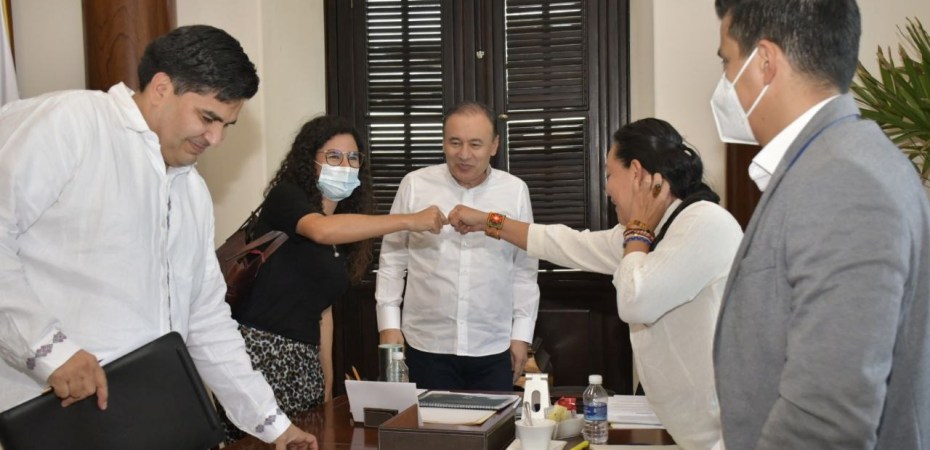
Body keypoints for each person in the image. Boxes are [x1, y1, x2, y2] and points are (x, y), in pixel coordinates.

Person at [0, 25, 316, 449]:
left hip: (149, 419)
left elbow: (205, 318)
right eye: (208, 118)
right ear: (162, 88)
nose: (216, 139)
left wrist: (273, 424)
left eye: (227, 125)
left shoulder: (191, 191)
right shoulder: (70, 124)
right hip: (52, 415)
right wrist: (49, 349)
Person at [711, 1, 930, 448]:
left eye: (727, 62)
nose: (726, 82)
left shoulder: (844, 180)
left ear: (765, 62)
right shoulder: (836, 160)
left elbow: (826, 422)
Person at [448, 118, 743, 450]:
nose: (607, 189)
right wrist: (487, 221)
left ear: (636, 172)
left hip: (725, 432)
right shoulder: (652, 231)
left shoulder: (702, 223)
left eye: (609, 175)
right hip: (690, 431)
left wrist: (638, 230)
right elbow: (563, 243)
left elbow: (635, 302)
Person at [219, 115, 446, 442]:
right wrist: (408, 220)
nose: (345, 165)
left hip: (304, 362)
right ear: (309, 160)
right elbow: (319, 230)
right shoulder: (287, 198)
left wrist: (326, 379)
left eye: (353, 158)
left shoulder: (344, 228)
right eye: (334, 156)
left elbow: (323, 311)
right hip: (261, 354)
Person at [375, 101, 540, 391]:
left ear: (494, 145)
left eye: (475, 144)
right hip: (425, 343)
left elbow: (524, 270)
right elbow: (392, 260)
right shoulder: (414, 185)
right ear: (443, 142)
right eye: (455, 142)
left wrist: (521, 335)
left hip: (493, 345)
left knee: (495, 421)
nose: (464, 154)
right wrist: (389, 325)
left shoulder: (514, 191)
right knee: (427, 421)